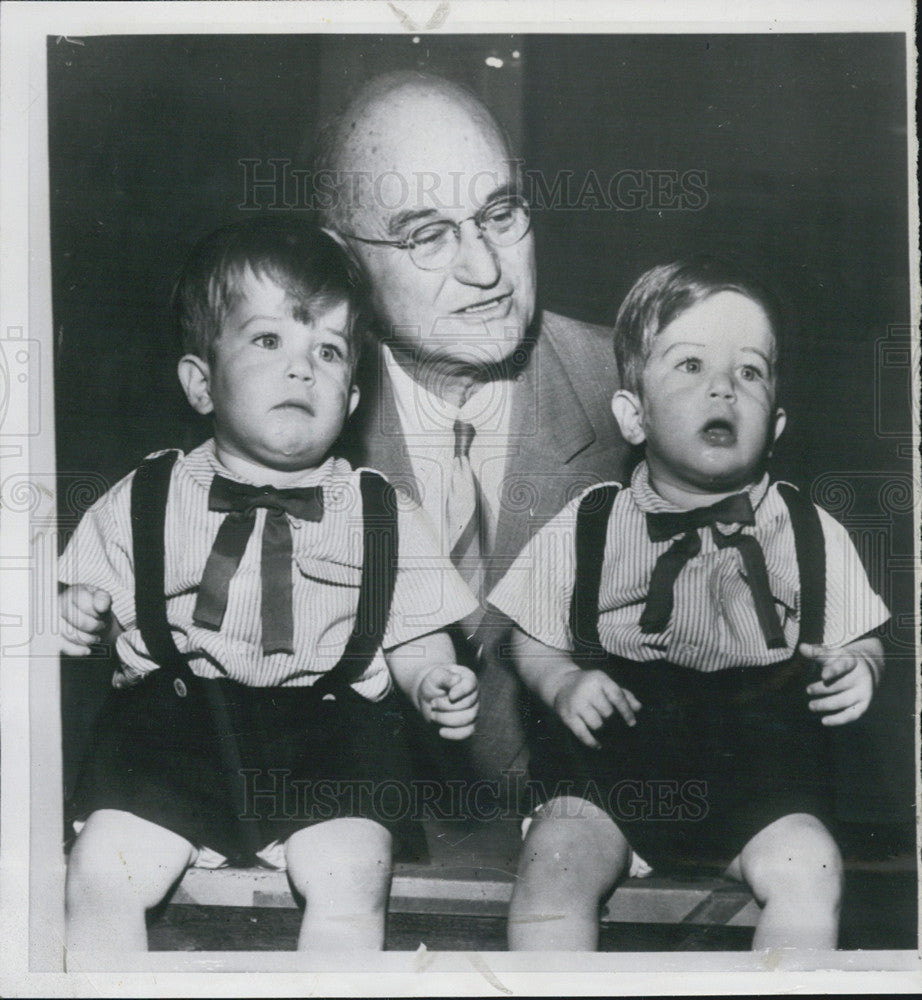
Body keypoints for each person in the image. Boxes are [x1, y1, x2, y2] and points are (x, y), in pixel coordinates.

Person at [58, 218, 480, 959]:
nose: (301, 369)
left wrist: (433, 680)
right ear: (199, 382)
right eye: (267, 341)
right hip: (172, 739)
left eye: (327, 350)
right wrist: (79, 615)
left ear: (351, 398)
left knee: (353, 874)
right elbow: (82, 595)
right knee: (103, 869)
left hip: (333, 745)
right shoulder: (147, 494)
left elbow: (417, 634)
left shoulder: (382, 511)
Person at [489, 256, 889, 950]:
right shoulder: (590, 522)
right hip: (611, 777)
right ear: (633, 414)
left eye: (750, 372)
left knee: (812, 866)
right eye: (691, 366)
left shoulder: (807, 530)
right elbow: (527, 633)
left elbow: (864, 634)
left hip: (762, 783)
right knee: (553, 866)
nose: (724, 390)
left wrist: (860, 665)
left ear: (779, 421)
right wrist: (562, 681)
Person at [313, 70, 628, 795]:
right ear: (345, 260)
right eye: (426, 235)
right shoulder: (287, 427)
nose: (486, 269)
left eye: (500, 214)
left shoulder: (638, 394)